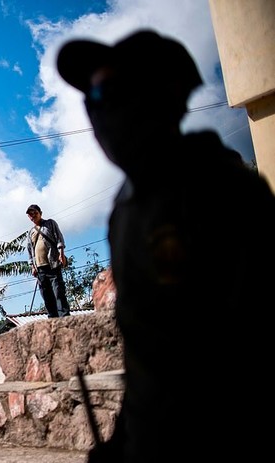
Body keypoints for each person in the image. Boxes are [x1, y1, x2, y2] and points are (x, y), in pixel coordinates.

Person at [57, 29, 275, 462]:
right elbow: (148, 359)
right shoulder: (126, 209)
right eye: (90, 99)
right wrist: (122, 443)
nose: (98, 111)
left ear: (166, 94)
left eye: (109, 91)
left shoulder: (225, 190)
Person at [25, 204, 71, 317]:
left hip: (53, 264)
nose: (33, 216)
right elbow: (30, 250)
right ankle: (53, 319)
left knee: (58, 292)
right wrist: (32, 266)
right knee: (46, 295)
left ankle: (64, 317)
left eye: (35, 213)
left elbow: (59, 238)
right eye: (30, 214)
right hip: (40, 268)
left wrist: (61, 254)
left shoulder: (50, 223)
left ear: (40, 213)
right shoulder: (31, 232)